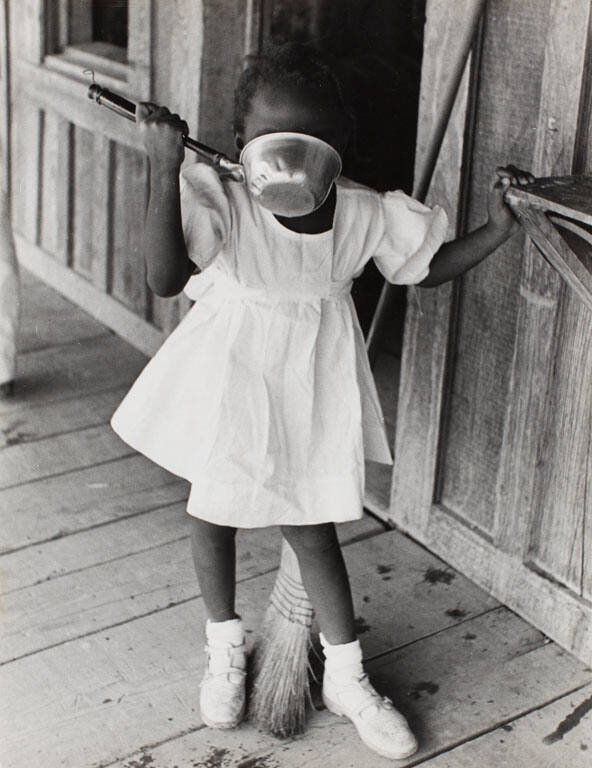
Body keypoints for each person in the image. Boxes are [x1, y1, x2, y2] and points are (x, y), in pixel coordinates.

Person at [111, 43, 533, 761]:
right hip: (231, 368)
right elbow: (162, 278)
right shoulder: (222, 195)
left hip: (313, 379)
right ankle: (225, 648)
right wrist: (165, 165)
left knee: (313, 526)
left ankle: (346, 676)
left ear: (342, 146)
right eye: (274, 144)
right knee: (212, 510)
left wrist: (497, 228)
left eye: (313, 144)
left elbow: (424, 269)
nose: (292, 164)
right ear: (242, 146)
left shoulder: (367, 211)